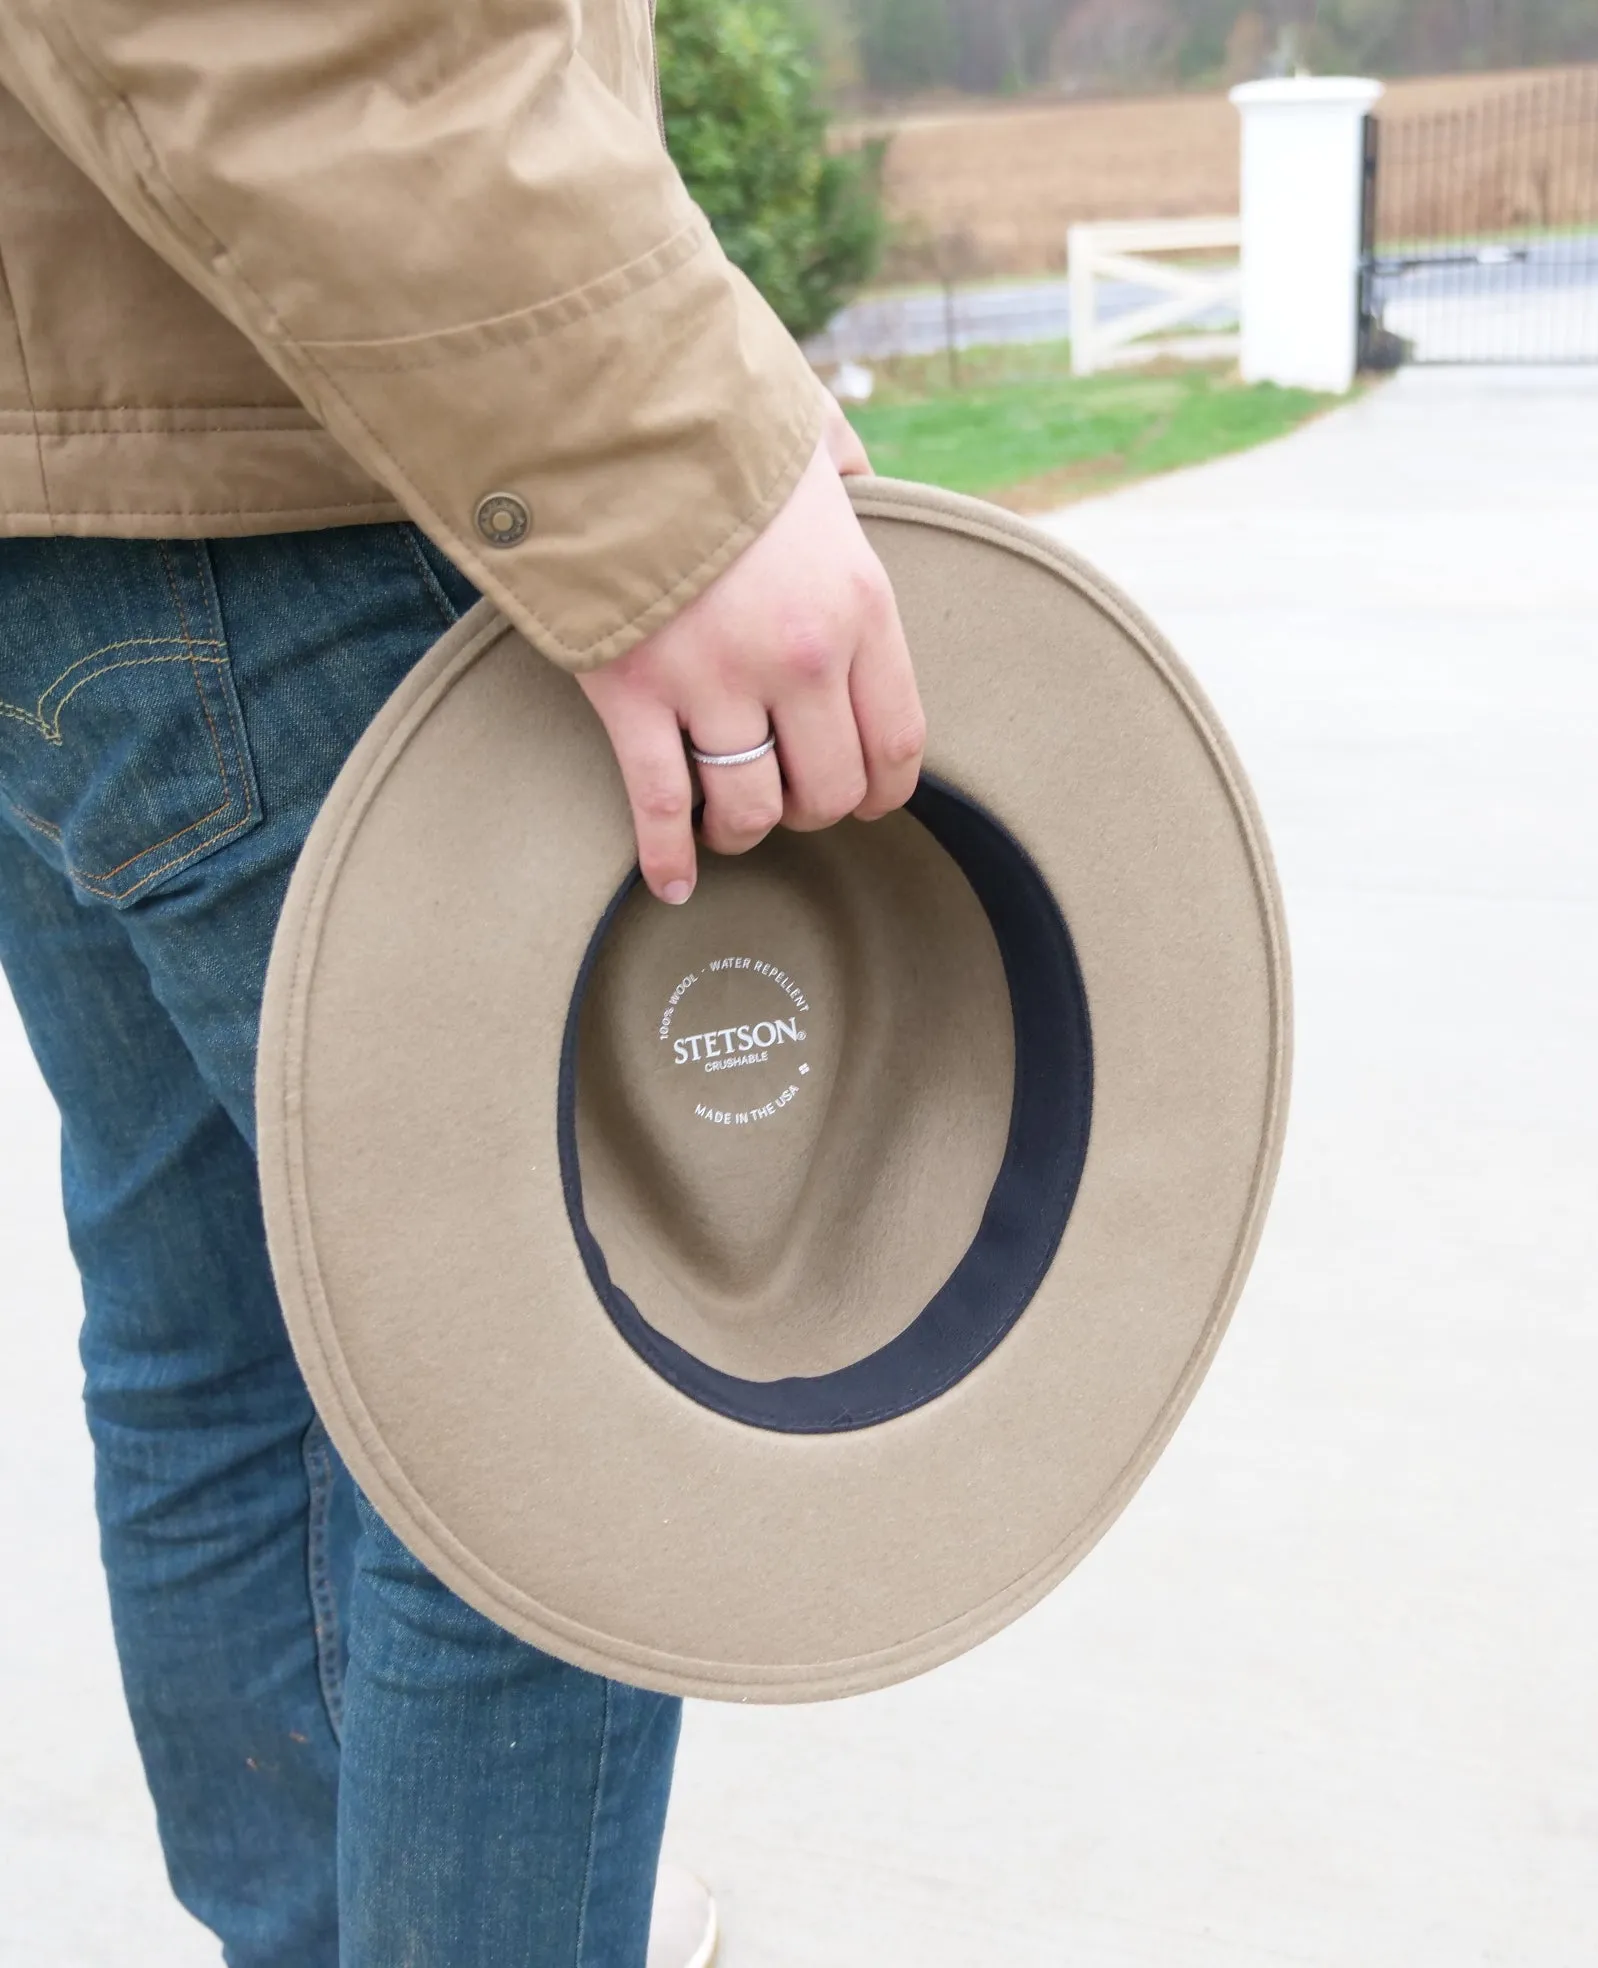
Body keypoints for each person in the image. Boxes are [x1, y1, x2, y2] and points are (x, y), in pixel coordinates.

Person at [0, 2, 923, 1962]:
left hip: (74, 463)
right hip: (294, 486)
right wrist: (645, 425)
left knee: (213, 1333)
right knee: (546, 1432)